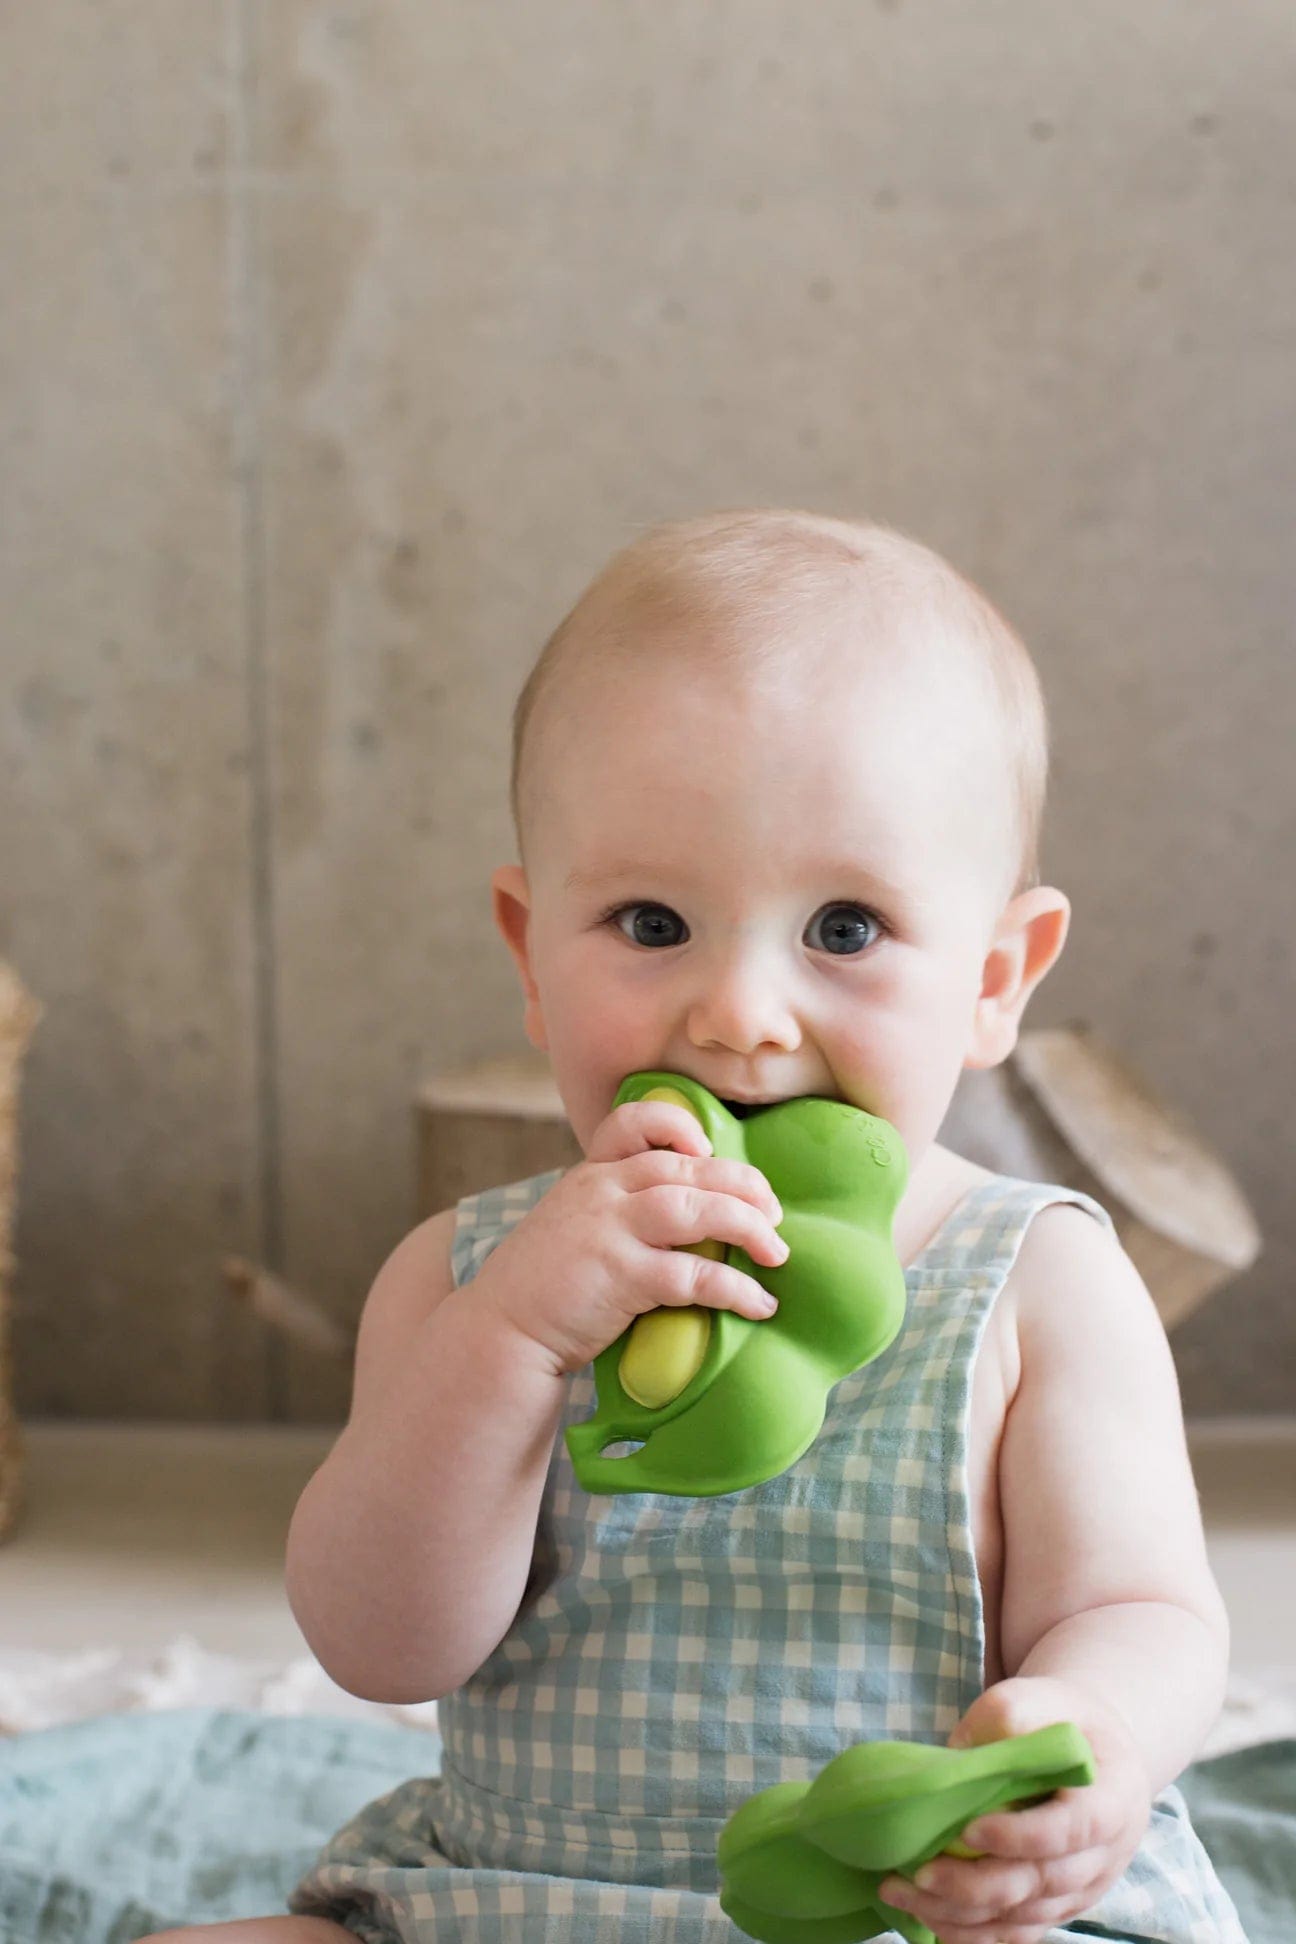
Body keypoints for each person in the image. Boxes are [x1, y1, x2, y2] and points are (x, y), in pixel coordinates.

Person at [148, 510, 1247, 1944]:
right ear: (529, 952)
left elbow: (1151, 1610)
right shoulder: (462, 1278)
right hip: (525, 1903)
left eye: (844, 929)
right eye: (652, 922)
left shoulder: (1038, 1281)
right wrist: (518, 1343)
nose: (739, 1014)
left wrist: (1080, 1743)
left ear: (994, 976)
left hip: (911, 1917)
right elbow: (376, 1644)